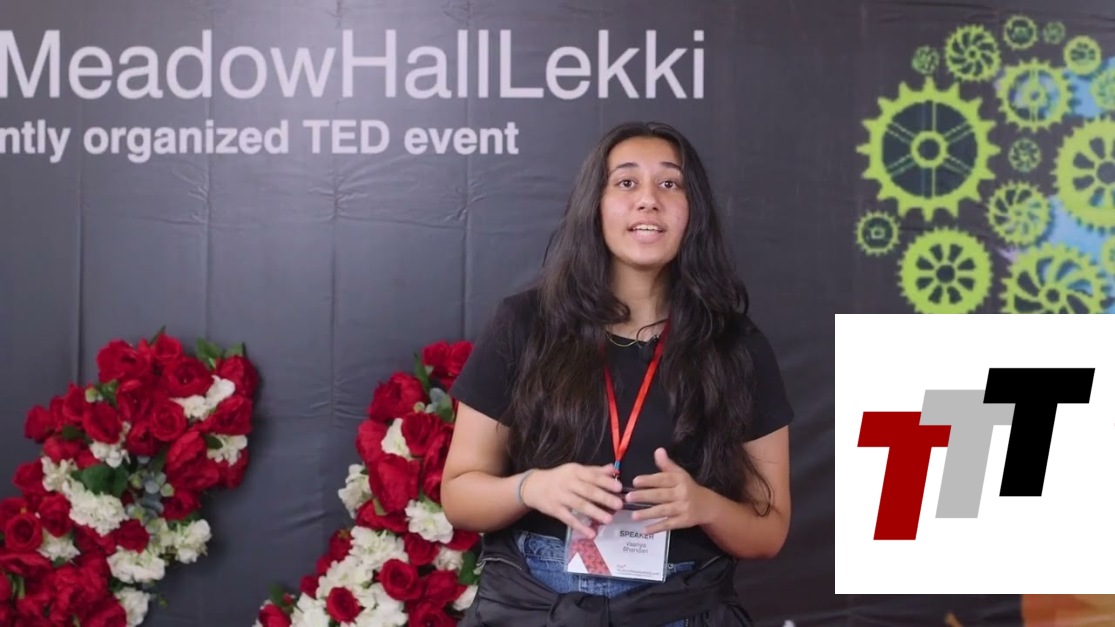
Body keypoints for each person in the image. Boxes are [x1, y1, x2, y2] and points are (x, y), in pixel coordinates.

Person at [441, 121, 794, 626]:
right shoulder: (525, 324)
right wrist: (531, 488)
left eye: (670, 183)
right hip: (537, 605)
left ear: (693, 211)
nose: (648, 200)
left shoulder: (735, 345)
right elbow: (459, 496)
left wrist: (705, 506)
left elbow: (770, 530)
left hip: (676, 605)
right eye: (626, 182)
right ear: (596, 205)